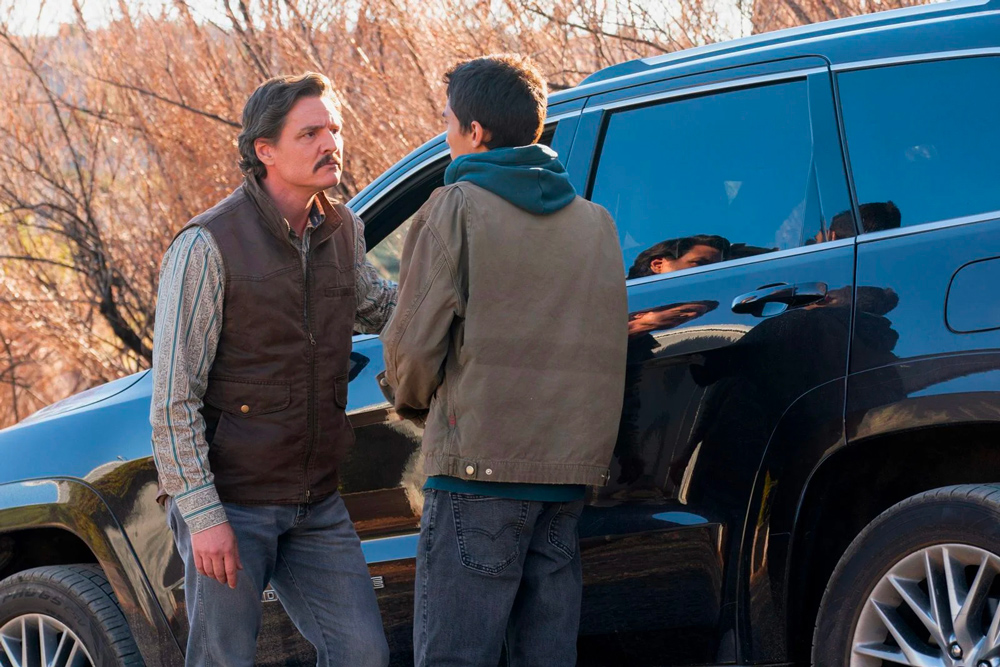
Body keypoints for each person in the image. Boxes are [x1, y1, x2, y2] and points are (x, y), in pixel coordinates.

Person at [379, 54, 628, 667]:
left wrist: (410, 402)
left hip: (475, 473)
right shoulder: (596, 224)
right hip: (564, 480)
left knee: (455, 656)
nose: (446, 135)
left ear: (476, 131)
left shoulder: (455, 207)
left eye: (448, 122)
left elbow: (412, 347)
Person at [149, 72, 394, 667]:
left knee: (364, 656)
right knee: (223, 660)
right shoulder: (206, 245)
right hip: (232, 502)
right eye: (309, 133)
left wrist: (469, 303)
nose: (330, 143)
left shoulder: (343, 229)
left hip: (316, 501)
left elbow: (384, 307)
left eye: (334, 129)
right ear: (265, 150)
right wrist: (204, 517)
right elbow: (173, 399)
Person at [627, 234, 730, 279]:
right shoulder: (625, 305)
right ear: (658, 265)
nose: (713, 273)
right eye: (700, 263)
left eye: (719, 268)